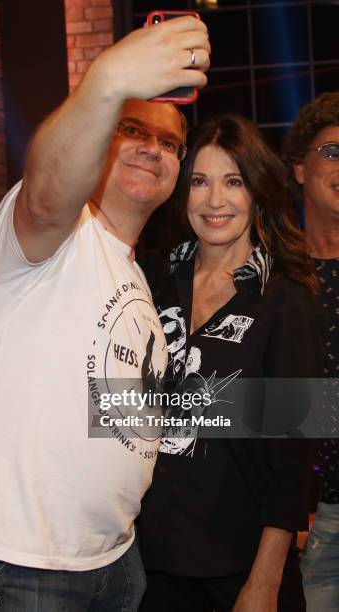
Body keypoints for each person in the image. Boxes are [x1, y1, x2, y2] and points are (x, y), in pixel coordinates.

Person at [0, 17, 210, 612]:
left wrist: (301, 408)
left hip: (113, 565)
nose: (151, 149)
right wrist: (106, 82)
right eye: (132, 128)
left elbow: (111, 415)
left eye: (168, 143)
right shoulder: (46, 233)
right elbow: (48, 188)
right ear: (101, 134)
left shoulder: (135, 283)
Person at [138, 114, 324, 612]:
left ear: (258, 192)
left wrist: (264, 581)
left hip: (240, 570)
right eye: (200, 181)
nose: (214, 200)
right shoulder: (149, 279)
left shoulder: (288, 296)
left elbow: (294, 459)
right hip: (146, 568)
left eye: (233, 182)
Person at [284, 91, 339, 612]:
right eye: (333, 153)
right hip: (313, 522)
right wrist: (285, 515)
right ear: (300, 169)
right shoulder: (275, 278)